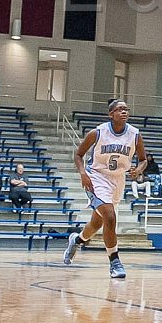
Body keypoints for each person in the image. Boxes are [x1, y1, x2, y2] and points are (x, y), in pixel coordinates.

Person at [63, 98, 147, 279]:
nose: (124, 112)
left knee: (97, 223)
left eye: (127, 109)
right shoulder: (98, 132)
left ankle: (76, 240)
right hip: (96, 178)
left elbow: (143, 159)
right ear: (111, 114)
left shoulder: (135, 134)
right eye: (120, 109)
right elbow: (78, 155)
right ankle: (114, 262)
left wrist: (138, 170)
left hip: (118, 180)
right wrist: (83, 173)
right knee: (110, 216)